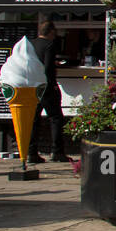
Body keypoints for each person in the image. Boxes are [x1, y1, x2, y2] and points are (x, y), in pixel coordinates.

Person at [30, 21, 70, 163]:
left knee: (34, 120)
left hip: (33, 86)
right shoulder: (49, 45)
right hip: (46, 86)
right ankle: (57, 152)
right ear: (51, 32)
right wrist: (52, 84)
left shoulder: (31, 44)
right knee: (56, 118)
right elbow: (47, 68)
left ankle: (31, 153)